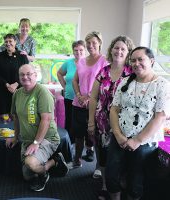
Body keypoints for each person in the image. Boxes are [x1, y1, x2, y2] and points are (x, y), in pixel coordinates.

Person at [106, 46, 170, 200]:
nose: (136, 63)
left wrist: (137, 141)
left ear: (152, 61)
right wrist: (118, 135)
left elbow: (160, 117)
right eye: (133, 60)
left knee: (136, 181)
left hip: (144, 142)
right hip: (120, 137)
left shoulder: (162, 84)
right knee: (111, 175)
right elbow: (114, 109)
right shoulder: (125, 81)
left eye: (140, 59)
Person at [6, 64, 68, 192]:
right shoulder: (17, 94)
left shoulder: (42, 92)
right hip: (27, 140)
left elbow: (46, 119)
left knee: (31, 163)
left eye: (29, 74)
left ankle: (45, 173)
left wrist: (36, 143)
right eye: (22, 75)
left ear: (35, 75)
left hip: (47, 139)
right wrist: (15, 137)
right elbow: (16, 118)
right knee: (27, 176)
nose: (25, 77)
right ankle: (56, 160)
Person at [88, 36, 134, 200]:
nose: (119, 51)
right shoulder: (104, 71)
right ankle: (106, 185)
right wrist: (91, 122)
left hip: (124, 124)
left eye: (123, 49)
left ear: (128, 52)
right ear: (111, 49)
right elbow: (93, 97)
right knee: (104, 153)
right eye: (116, 48)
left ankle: (119, 184)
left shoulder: (132, 73)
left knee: (120, 156)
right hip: (102, 121)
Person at [70, 31, 108, 169]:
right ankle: (77, 160)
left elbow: (105, 82)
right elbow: (75, 80)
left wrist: (90, 97)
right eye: (88, 43)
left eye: (94, 42)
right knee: (79, 135)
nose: (90, 45)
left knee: (95, 136)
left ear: (99, 44)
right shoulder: (81, 61)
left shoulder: (104, 60)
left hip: (95, 104)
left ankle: (99, 166)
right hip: (78, 104)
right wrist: (79, 96)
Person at [0, 33, 29, 121]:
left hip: (18, 91)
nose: (8, 43)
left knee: (16, 117)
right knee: (4, 119)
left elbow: (27, 73)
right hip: (3, 91)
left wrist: (16, 84)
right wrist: (7, 85)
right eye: (6, 42)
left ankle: (17, 135)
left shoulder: (22, 56)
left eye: (10, 41)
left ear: (15, 42)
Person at [57, 40, 86, 143]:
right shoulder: (69, 63)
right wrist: (64, 86)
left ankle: (88, 149)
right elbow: (59, 73)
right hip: (69, 97)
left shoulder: (88, 63)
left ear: (85, 50)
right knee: (69, 122)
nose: (78, 52)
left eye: (81, 50)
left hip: (84, 100)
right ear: (73, 51)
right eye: (76, 50)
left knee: (83, 125)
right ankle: (69, 146)